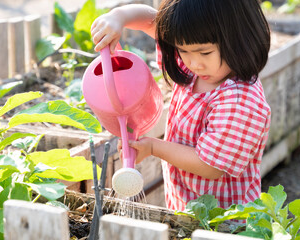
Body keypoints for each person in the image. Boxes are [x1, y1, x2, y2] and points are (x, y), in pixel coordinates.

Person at [91, 0, 271, 211]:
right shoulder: (193, 68)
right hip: (185, 206)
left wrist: (152, 147)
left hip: (223, 221)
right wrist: (119, 17)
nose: (194, 63)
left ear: (241, 39)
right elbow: (153, 23)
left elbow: (210, 166)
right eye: (183, 51)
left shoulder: (240, 101)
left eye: (205, 53)